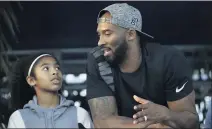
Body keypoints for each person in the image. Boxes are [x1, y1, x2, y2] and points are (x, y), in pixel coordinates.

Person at [86, 3, 199, 128]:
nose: (100, 42)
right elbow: (103, 122)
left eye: (107, 33)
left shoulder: (168, 60)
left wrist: (166, 114)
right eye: (99, 34)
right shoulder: (98, 60)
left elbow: (190, 121)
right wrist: (153, 126)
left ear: (131, 34)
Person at [7, 53, 93, 128]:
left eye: (57, 68)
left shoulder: (80, 115)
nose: (55, 72)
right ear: (31, 80)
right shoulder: (18, 118)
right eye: (46, 68)